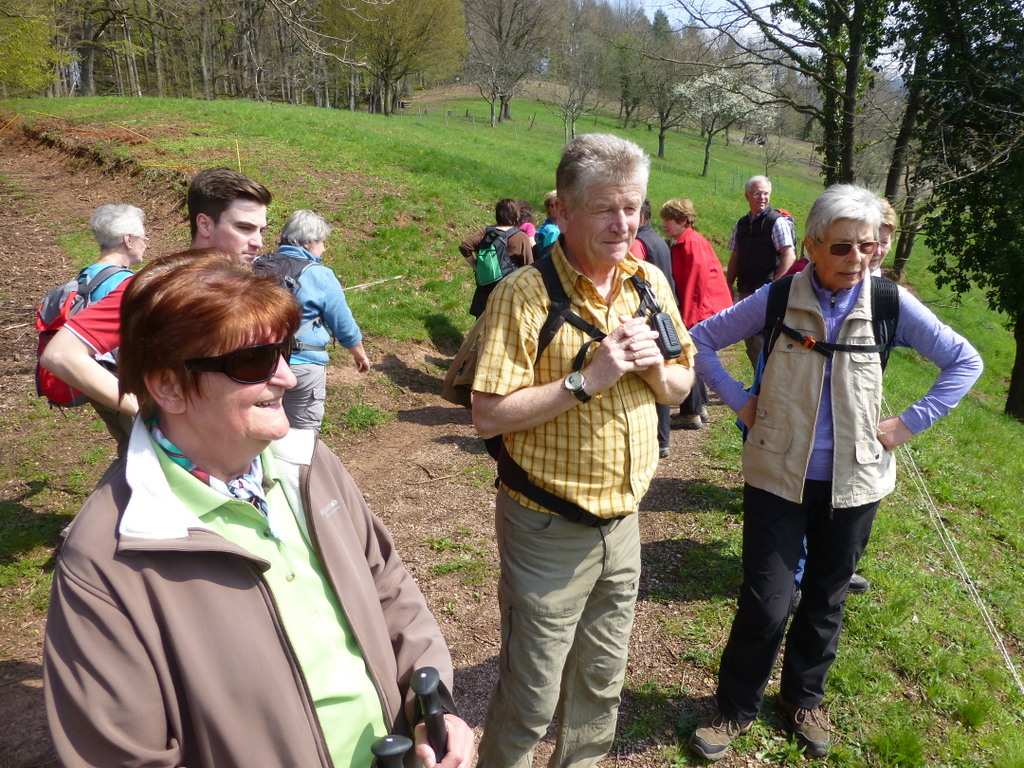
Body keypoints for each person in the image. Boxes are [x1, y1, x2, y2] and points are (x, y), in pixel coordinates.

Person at [43, 251, 475, 768]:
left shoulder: (307, 463)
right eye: (253, 361)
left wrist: (433, 709)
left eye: (284, 350)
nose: (287, 377)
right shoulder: (106, 559)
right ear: (169, 386)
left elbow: (388, 587)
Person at [687, 185, 983, 761]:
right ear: (813, 246)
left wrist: (907, 425)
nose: (856, 259)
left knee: (826, 597)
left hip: (855, 482)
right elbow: (701, 339)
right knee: (767, 600)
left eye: (867, 247)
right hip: (777, 475)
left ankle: (802, 699)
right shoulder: (779, 296)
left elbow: (964, 361)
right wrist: (740, 401)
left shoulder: (889, 303)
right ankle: (734, 707)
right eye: (842, 247)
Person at [471, 133, 695, 768]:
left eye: (634, 208)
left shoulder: (648, 282)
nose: (624, 224)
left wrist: (655, 371)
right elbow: (487, 416)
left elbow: (682, 386)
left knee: (600, 686)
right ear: (564, 212)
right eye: (605, 209)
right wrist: (586, 381)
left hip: (623, 524)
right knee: (532, 696)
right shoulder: (523, 294)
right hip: (546, 527)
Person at [39, 168, 272, 448]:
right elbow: (62, 354)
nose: (258, 242)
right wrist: (148, 412)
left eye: (261, 230)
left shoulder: (250, 285)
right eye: (244, 228)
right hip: (180, 455)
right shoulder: (160, 287)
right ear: (205, 225)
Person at [268, 210, 370, 431]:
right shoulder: (319, 275)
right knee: (303, 437)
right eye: (322, 242)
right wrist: (360, 354)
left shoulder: (258, 265)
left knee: (261, 433)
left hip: (260, 365)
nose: (324, 249)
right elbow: (344, 326)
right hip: (303, 366)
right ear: (308, 242)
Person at [64, 204, 149, 449]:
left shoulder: (87, 275)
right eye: (144, 237)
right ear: (128, 240)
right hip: (123, 382)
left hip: (93, 378)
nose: (146, 244)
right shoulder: (126, 284)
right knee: (145, 452)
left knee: (127, 447)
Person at [660, 197, 732, 431]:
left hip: (702, 310)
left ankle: (690, 413)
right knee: (696, 357)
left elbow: (695, 285)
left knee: (689, 356)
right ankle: (698, 407)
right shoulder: (689, 241)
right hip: (702, 308)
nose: (664, 225)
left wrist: (687, 321)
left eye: (668, 220)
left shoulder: (690, 243)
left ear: (682, 220)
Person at [725, 175, 797, 367]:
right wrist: (728, 284)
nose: (762, 198)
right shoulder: (742, 224)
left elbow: (789, 256)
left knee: (767, 340)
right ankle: (760, 381)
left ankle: (770, 381)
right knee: (751, 340)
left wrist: (774, 286)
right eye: (757, 193)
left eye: (765, 193)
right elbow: (735, 255)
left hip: (766, 292)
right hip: (746, 290)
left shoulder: (776, 222)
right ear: (747, 196)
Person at [630, 198, 677, 457]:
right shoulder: (659, 240)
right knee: (663, 371)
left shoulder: (638, 244)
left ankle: (658, 439)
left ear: (640, 217)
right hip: (662, 311)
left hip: (646, 315)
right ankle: (663, 438)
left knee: (651, 375)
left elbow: (630, 275)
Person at [458, 198, 533, 317]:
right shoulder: (521, 237)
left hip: (485, 288)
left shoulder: (487, 232)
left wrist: (476, 267)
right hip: (507, 291)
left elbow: (465, 246)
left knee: (481, 324)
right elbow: (529, 266)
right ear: (516, 215)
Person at [534, 189, 560, 259]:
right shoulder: (552, 231)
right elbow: (549, 258)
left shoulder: (549, 227)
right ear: (548, 208)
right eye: (554, 205)